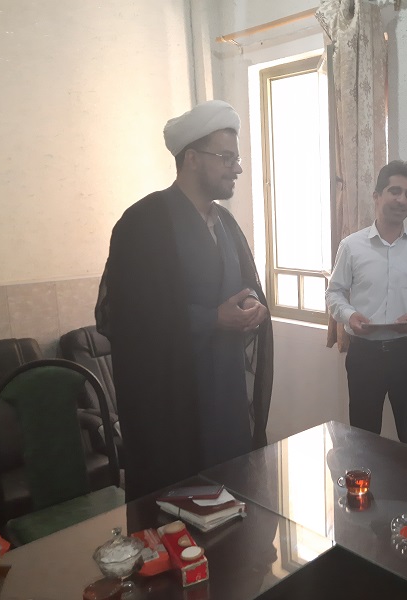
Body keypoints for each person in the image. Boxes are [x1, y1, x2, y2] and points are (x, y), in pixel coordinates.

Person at [98, 100, 273, 501]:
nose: (237, 168)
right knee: (177, 517)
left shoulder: (225, 223)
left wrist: (253, 305)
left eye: (237, 159)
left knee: (232, 505)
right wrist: (211, 319)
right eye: (226, 158)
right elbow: (124, 316)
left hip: (226, 398)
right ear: (191, 158)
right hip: (172, 405)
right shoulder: (143, 223)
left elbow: (244, 285)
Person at [326, 160, 407, 442]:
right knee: (364, 439)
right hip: (364, 355)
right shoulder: (351, 246)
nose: (402, 200)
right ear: (377, 195)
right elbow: (334, 293)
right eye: (395, 191)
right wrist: (350, 315)